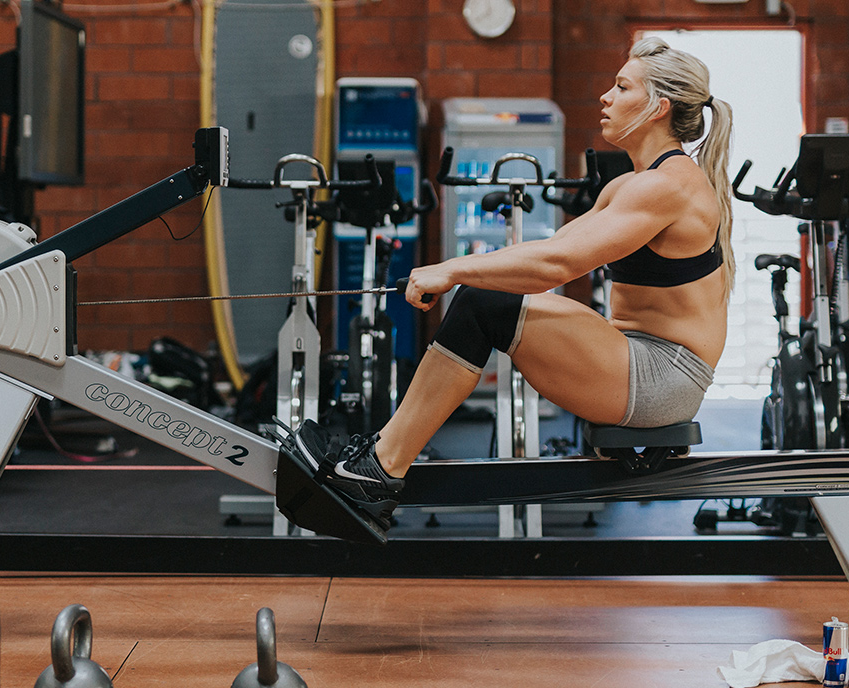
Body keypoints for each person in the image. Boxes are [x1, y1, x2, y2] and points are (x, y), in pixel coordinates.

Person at [292, 37, 734, 529]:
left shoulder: (667, 185)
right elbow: (543, 256)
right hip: (631, 355)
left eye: (621, 86)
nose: (606, 97)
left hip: (662, 377)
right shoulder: (627, 185)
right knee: (487, 300)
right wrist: (456, 272)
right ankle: (380, 459)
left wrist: (453, 270)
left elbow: (556, 267)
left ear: (659, 107)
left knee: (485, 305)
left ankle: (377, 471)